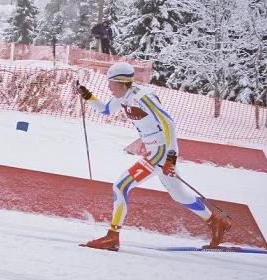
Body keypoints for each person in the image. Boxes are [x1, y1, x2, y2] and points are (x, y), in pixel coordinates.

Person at [78, 62, 231, 251]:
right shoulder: (123, 96)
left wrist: (171, 157)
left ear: (120, 82)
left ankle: (112, 236)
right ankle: (215, 222)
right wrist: (88, 97)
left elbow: (169, 124)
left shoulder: (143, 97)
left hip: (161, 152)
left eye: (110, 83)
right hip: (154, 151)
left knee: (121, 186)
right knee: (179, 194)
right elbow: (105, 110)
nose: (108, 86)